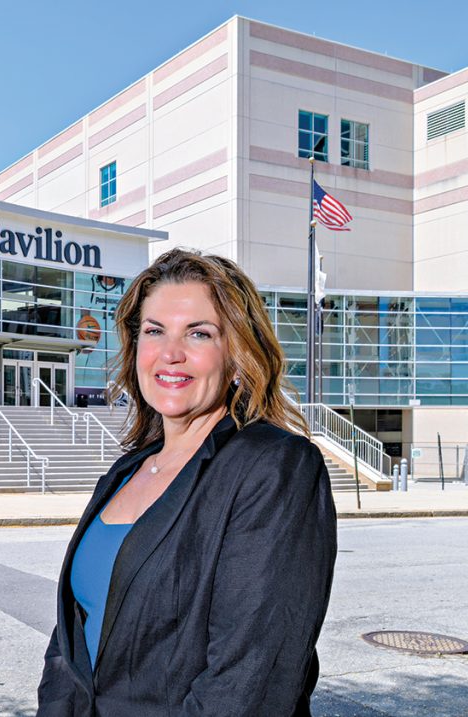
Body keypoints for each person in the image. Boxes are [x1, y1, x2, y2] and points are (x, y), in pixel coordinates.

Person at [38, 249, 337, 716]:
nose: (170, 353)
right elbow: (68, 643)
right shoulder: (124, 472)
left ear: (237, 357)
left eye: (198, 333)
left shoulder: (274, 467)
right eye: (155, 331)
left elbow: (249, 679)